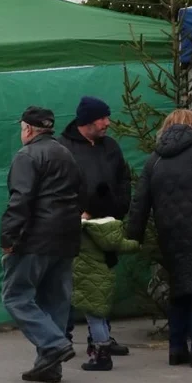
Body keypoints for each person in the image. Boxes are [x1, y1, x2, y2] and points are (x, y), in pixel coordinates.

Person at [126, 109, 192, 368]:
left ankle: (176, 348)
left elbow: (140, 202)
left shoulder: (155, 160)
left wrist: (133, 236)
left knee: (180, 289)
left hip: (170, 234)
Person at [1, 107, 82, 383]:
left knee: (15, 296)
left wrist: (9, 238)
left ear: (28, 129)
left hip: (35, 238)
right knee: (55, 301)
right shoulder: (65, 152)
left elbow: (20, 200)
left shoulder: (27, 156)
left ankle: (53, 344)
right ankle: (50, 365)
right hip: (66, 236)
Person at [58, 96, 133, 356]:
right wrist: (78, 214)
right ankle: (61, 340)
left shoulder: (110, 147)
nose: (107, 123)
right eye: (102, 118)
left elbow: (124, 178)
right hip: (78, 229)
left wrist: (120, 206)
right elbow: (58, 187)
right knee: (69, 284)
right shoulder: (63, 147)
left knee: (102, 282)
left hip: (107, 226)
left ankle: (100, 338)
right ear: (87, 120)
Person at [72, 216, 140, 371]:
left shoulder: (82, 231)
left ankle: (101, 357)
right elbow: (125, 245)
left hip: (86, 278)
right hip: (105, 276)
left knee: (94, 319)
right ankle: (104, 352)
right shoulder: (110, 230)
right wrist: (140, 243)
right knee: (100, 317)